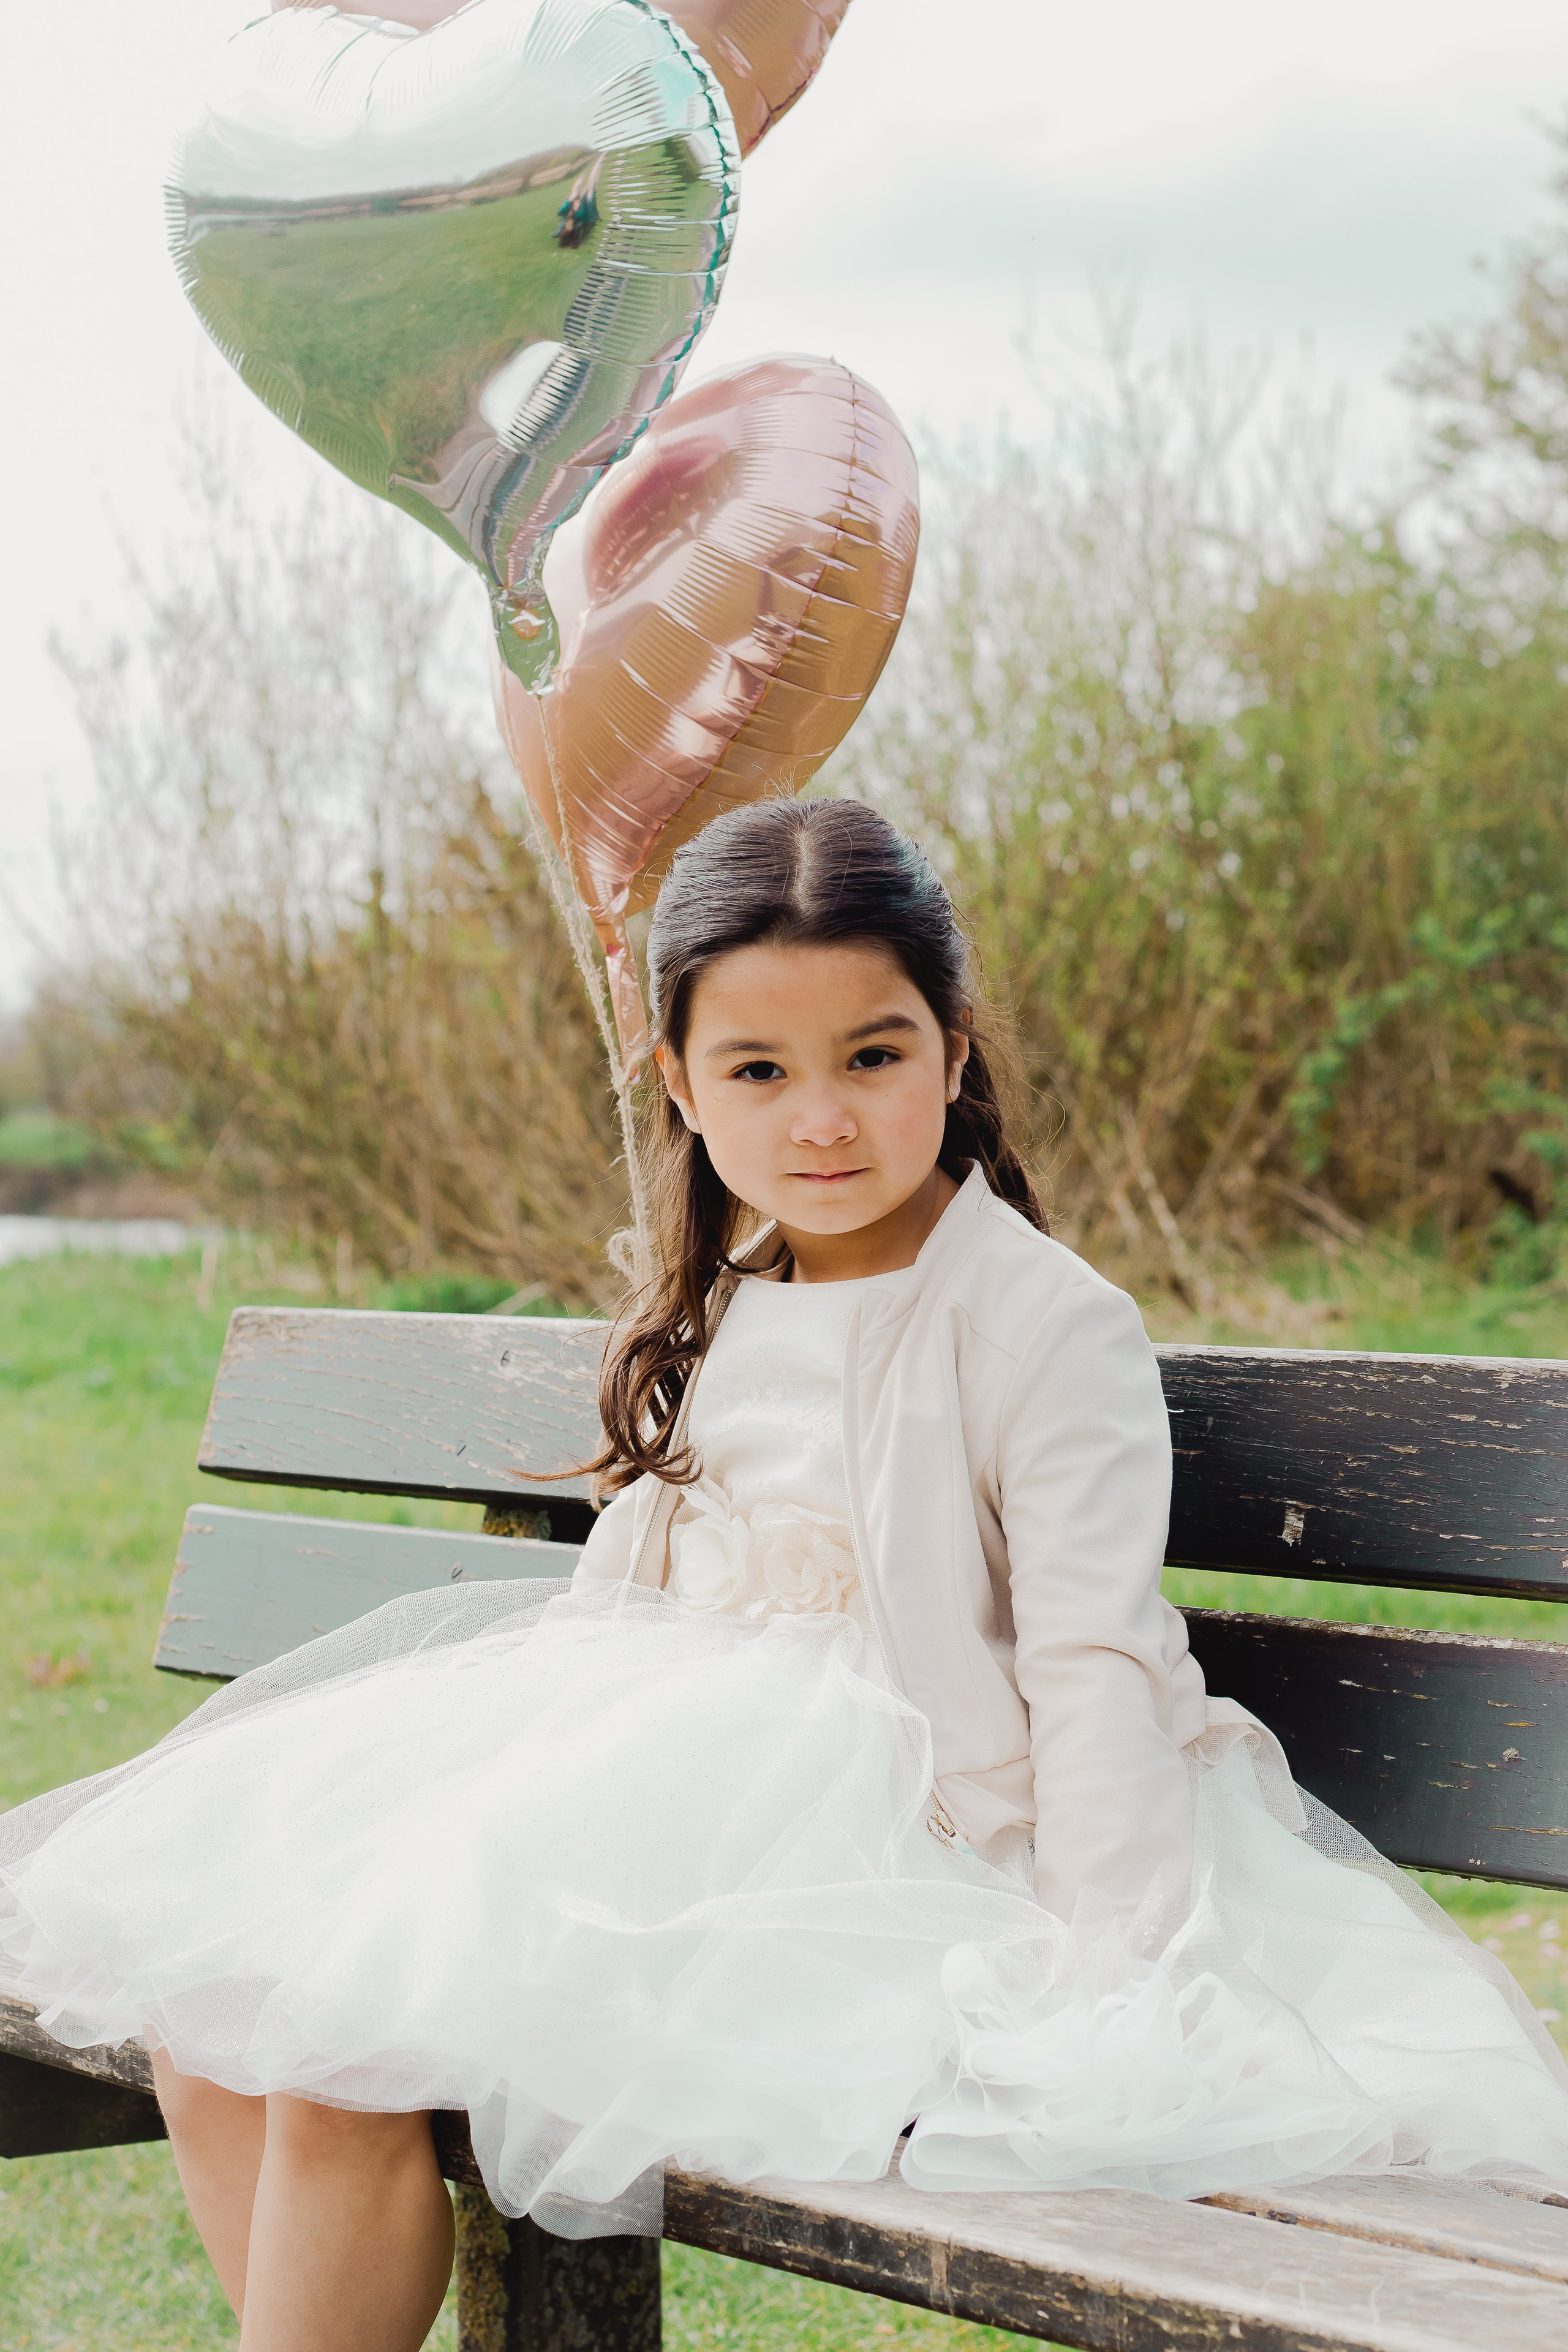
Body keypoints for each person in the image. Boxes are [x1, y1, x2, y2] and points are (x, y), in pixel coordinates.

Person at [2, 798, 1566, 2351]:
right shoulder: (731, 1294)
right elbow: (644, 1585)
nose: (819, 1118)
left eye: (870, 1058)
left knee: (342, 2057)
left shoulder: (1038, 1325)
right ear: (680, 1084)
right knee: (214, 2028)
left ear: (953, 1055)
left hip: (900, 1837)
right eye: (759, 1071)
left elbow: (1089, 1666)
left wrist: (1113, 1976)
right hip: (673, 1788)